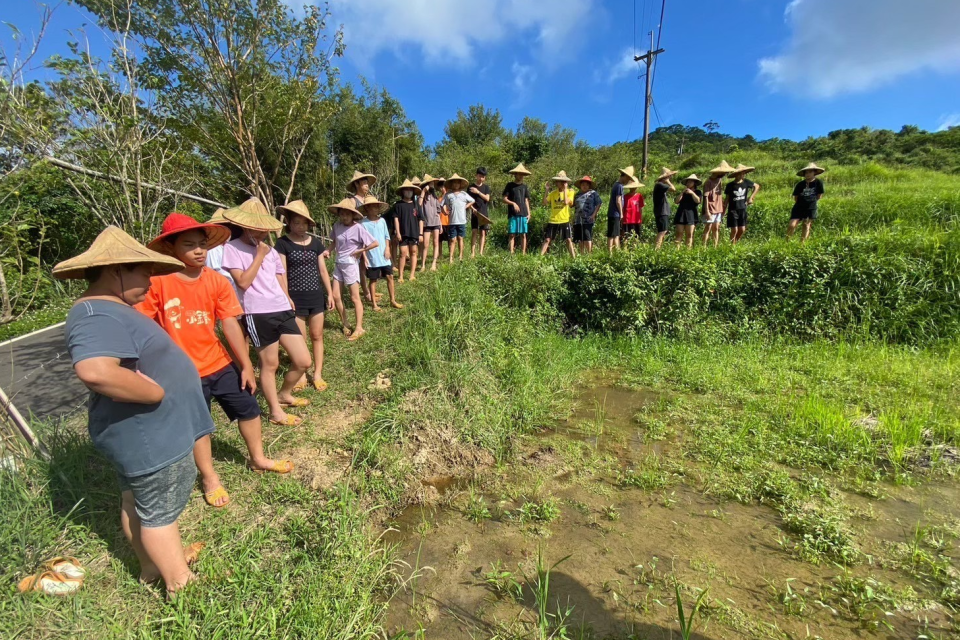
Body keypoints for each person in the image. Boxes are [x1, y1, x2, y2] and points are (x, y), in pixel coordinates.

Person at [56, 226, 208, 594]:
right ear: (116, 270)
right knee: (157, 513)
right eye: (143, 271)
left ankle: (151, 566)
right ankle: (179, 583)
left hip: (141, 434)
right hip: (150, 436)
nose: (150, 281)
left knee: (136, 503)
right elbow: (96, 371)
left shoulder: (106, 309)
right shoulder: (97, 314)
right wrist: (154, 392)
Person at [139, 213, 294, 511]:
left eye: (202, 244)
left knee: (248, 407)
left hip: (219, 362)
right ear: (171, 248)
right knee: (200, 426)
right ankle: (209, 477)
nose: (199, 251)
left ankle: (257, 458)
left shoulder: (215, 281)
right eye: (189, 245)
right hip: (182, 372)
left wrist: (246, 364)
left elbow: (230, 323)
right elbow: (144, 329)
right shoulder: (157, 283)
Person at [221, 199, 312, 427]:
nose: (260, 233)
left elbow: (279, 275)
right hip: (257, 312)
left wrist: (287, 296)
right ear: (244, 225)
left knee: (303, 361)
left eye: (263, 229)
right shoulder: (233, 248)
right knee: (269, 364)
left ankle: (285, 394)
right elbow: (242, 282)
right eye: (255, 228)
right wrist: (259, 255)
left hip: (281, 308)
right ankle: (275, 411)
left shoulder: (270, 250)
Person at [275, 200, 333, 393]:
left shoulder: (316, 243)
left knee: (317, 335)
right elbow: (281, 272)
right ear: (289, 223)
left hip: (316, 296)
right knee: (300, 338)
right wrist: (286, 296)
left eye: (303, 223)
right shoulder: (282, 243)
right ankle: (300, 374)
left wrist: (330, 293)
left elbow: (323, 271)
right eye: (296, 222)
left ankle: (317, 374)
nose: (300, 226)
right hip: (295, 298)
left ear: (309, 224)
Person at [328, 198, 378, 341]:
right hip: (338, 263)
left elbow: (374, 243)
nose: (344, 217)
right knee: (336, 296)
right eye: (342, 214)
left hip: (350, 264)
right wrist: (328, 250)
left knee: (355, 297)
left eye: (347, 214)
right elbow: (334, 242)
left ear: (353, 215)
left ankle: (359, 327)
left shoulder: (357, 228)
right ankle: (345, 323)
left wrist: (360, 251)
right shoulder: (337, 226)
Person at [360, 195, 403, 311]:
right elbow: (362, 242)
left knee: (390, 276)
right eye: (373, 207)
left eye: (377, 206)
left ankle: (392, 300)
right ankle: (374, 304)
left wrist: (387, 249)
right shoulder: (363, 223)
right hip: (372, 256)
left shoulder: (382, 221)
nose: (375, 209)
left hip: (384, 255)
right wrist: (365, 257)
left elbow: (386, 236)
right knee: (373, 280)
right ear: (367, 208)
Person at [540, 170, 576, 259]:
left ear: (564, 182)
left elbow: (567, 202)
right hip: (553, 220)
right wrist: (547, 190)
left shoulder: (570, 192)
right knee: (547, 239)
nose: (557, 183)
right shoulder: (553, 193)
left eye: (559, 181)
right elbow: (544, 203)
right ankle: (540, 258)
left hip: (564, 220)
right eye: (557, 181)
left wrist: (564, 190)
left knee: (568, 240)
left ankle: (574, 259)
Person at [393, 178, 423, 281]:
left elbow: (421, 220)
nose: (408, 191)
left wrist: (421, 234)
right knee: (402, 253)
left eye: (410, 190)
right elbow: (396, 219)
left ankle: (412, 275)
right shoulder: (398, 205)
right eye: (406, 189)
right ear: (402, 191)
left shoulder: (416, 205)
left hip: (414, 233)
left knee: (413, 252)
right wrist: (397, 232)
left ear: (413, 191)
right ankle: (400, 276)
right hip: (403, 233)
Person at [788, 162, 826, 243]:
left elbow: (819, 196)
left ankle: (802, 244)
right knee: (792, 225)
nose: (808, 174)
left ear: (814, 172)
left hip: (810, 208)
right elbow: (796, 197)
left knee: (806, 225)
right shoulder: (800, 184)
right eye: (806, 172)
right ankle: (787, 242)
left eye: (810, 172)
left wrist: (810, 202)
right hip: (798, 207)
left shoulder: (818, 183)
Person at [442, 173, 475, 263]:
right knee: (452, 239)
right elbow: (442, 204)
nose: (456, 184)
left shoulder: (464, 194)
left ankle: (460, 256)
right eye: (454, 183)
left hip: (461, 221)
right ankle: (451, 258)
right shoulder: (448, 195)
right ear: (451, 184)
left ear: (460, 184)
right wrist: (444, 211)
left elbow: (472, 200)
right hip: (452, 221)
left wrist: (466, 206)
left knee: (460, 238)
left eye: (457, 183)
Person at [725, 163, 761, 244]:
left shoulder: (746, 182)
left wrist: (751, 197)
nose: (743, 175)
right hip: (733, 210)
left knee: (742, 229)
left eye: (744, 173)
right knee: (734, 229)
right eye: (742, 173)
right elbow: (727, 199)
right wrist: (724, 210)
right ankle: (732, 245)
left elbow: (757, 186)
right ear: (737, 174)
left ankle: (735, 242)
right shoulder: (730, 185)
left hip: (743, 208)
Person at [702, 161, 733, 248]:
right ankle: (703, 247)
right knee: (708, 227)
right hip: (710, 208)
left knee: (716, 228)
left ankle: (715, 247)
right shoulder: (708, 182)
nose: (725, 174)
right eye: (724, 172)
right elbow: (705, 197)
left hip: (718, 208)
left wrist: (722, 207)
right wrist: (707, 211)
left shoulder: (719, 180)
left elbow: (719, 194)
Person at [503, 163, 532, 254]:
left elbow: (526, 200)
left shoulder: (524, 187)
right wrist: (513, 203)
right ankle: (511, 252)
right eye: (519, 174)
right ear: (515, 174)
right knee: (512, 234)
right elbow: (504, 199)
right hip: (513, 213)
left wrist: (529, 213)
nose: (521, 176)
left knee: (523, 234)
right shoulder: (510, 185)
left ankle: (523, 253)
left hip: (523, 213)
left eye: (522, 174)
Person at [419, 174, 443, 271]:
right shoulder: (422, 195)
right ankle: (423, 265)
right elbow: (419, 205)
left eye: (433, 183)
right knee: (425, 244)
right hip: (427, 223)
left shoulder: (434, 196)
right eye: (430, 183)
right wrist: (423, 191)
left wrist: (440, 224)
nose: (432, 185)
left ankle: (434, 264)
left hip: (436, 222)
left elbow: (438, 212)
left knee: (436, 242)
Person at [572, 175, 602, 254]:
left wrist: (594, 214)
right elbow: (572, 205)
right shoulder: (577, 195)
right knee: (579, 238)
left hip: (588, 219)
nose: (584, 186)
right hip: (578, 219)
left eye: (586, 185)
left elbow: (599, 203)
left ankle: (589, 254)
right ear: (580, 186)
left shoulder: (593, 193)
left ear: (589, 185)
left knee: (587, 237)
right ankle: (581, 254)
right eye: (583, 185)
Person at [608, 166, 634, 252]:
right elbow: (618, 201)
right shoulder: (619, 186)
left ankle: (611, 253)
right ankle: (618, 253)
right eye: (628, 178)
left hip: (613, 213)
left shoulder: (616, 185)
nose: (628, 181)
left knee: (612, 234)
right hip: (615, 213)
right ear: (625, 176)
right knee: (615, 235)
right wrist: (621, 213)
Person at [673, 175, 702, 248]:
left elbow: (698, 201)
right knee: (679, 234)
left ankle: (688, 251)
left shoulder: (698, 192)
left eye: (690, 182)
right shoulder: (683, 192)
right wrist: (682, 193)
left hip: (691, 215)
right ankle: (676, 250)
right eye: (687, 182)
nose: (688, 183)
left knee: (689, 234)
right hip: (681, 214)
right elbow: (676, 201)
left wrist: (692, 193)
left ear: (694, 183)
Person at [469, 168, 492, 258]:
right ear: (476, 175)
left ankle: (481, 252)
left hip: (484, 213)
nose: (481, 178)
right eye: (479, 176)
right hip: (475, 213)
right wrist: (472, 208)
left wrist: (478, 192)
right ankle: (472, 253)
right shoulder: (470, 187)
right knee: (474, 231)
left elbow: (487, 198)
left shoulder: (486, 187)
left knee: (483, 232)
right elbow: (467, 201)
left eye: (483, 177)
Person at [652, 167, 678, 250]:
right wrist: (668, 182)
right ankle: (656, 249)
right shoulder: (660, 185)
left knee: (664, 231)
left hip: (663, 211)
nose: (670, 178)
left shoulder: (660, 186)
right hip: (661, 211)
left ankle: (658, 248)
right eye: (669, 176)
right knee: (662, 231)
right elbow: (673, 189)